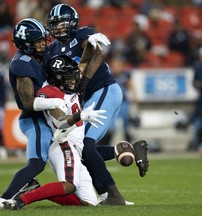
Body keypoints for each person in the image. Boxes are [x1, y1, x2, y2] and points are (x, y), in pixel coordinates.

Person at [45, 4, 149, 205]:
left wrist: (83, 83)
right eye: (54, 24)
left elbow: (97, 52)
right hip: (90, 98)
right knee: (79, 146)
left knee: (84, 144)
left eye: (62, 23)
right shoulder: (53, 49)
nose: (58, 28)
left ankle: (113, 195)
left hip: (104, 89)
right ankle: (127, 153)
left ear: (72, 23)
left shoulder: (81, 34)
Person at [3, 54, 107, 210]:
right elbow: (61, 120)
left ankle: (35, 189)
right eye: (68, 78)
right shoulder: (50, 93)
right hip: (64, 143)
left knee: (88, 203)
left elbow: (85, 63)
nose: (73, 80)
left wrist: (92, 46)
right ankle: (22, 200)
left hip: (75, 148)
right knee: (69, 185)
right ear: (57, 78)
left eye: (73, 76)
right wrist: (80, 115)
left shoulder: (67, 85)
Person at [0, 18, 66, 209]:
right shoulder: (22, 64)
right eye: (38, 41)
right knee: (37, 164)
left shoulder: (41, 55)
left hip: (48, 117)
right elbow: (27, 102)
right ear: (26, 44)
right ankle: (3, 199)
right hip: (35, 119)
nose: (43, 44)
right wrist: (55, 101)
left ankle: (29, 186)